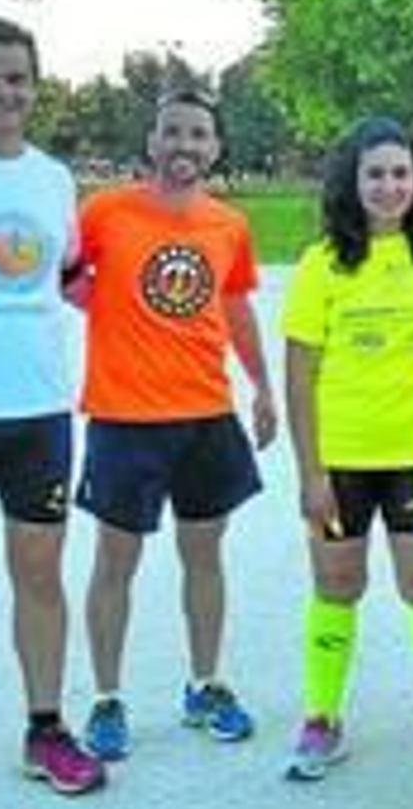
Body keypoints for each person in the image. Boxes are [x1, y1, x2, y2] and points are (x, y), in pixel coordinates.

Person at [281, 116, 413, 781]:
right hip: (340, 455)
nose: (390, 185)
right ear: (353, 181)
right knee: (337, 584)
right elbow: (300, 373)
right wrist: (308, 471)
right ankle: (321, 715)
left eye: (401, 173)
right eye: (376, 173)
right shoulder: (323, 263)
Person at [74, 89, 276, 762]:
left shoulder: (227, 224)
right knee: (116, 561)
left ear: (216, 148)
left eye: (199, 134)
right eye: (173, 132)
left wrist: (263, 386)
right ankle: (106, 697)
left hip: (206, 413)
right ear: (152, 141)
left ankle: (205, 682)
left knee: (204, 553)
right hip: (125, 415)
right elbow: (65, 278)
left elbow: (235, 307)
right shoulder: (105, 211)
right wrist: (109, 318)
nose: (185, 145)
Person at [0, 17, 105, 797]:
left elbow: (70, 278)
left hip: (39, 409)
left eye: (16, 78)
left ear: (35, 87)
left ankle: (46, 728)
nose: (2, 93)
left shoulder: (52, 180)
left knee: (39, 572)